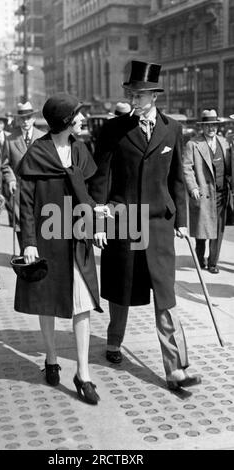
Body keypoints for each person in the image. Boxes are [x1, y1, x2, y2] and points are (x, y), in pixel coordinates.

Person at [89, 60, 201, 391]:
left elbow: (177, 178)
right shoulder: (113, 130)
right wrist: (97, 221)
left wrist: (182, 219)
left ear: (154, 96)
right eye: (131, 94)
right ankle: (113, 342)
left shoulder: (172, 130)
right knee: (122, 287)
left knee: (165, 296)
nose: (134, 100)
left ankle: (177, 368)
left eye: (140, 95)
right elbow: (100, 177)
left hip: (160, 225)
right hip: (123, 221)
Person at [14, 93, 102, 405]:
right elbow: (25, 204)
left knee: (82, 304)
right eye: (77, 114)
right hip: (46, 241)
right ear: (64, 120)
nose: (81, 118)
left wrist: (96, 225)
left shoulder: (80, 150)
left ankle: (83, 373)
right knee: (46, 302)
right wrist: (29, 244)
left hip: (77, 238)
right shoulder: (37, 153)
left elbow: (89, 194)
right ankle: (51, 358)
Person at [183, 109, 232, 274]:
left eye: (214, 125)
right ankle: (199, 258)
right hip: (203, 193)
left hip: (222, 193)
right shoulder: (193, 144)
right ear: (202, 127)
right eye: (208, 125)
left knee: (218, 229)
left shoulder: (224, 143)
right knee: (202, 229)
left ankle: (213, 263)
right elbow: (186, 168)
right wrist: (193, 187)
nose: (212, 128)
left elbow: (230, 167)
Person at [2, 102, 45, 249]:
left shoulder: (43, 137)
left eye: (29, 118)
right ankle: (24, 254)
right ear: (18, 120)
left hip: (39, 188)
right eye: (22, 118)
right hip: (19, 188)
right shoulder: (10, 139)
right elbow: (5, 164)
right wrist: (11, 179)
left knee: (40, 222)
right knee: (21, 223)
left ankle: (39, 257)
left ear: (33, 118)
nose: (26, 121)